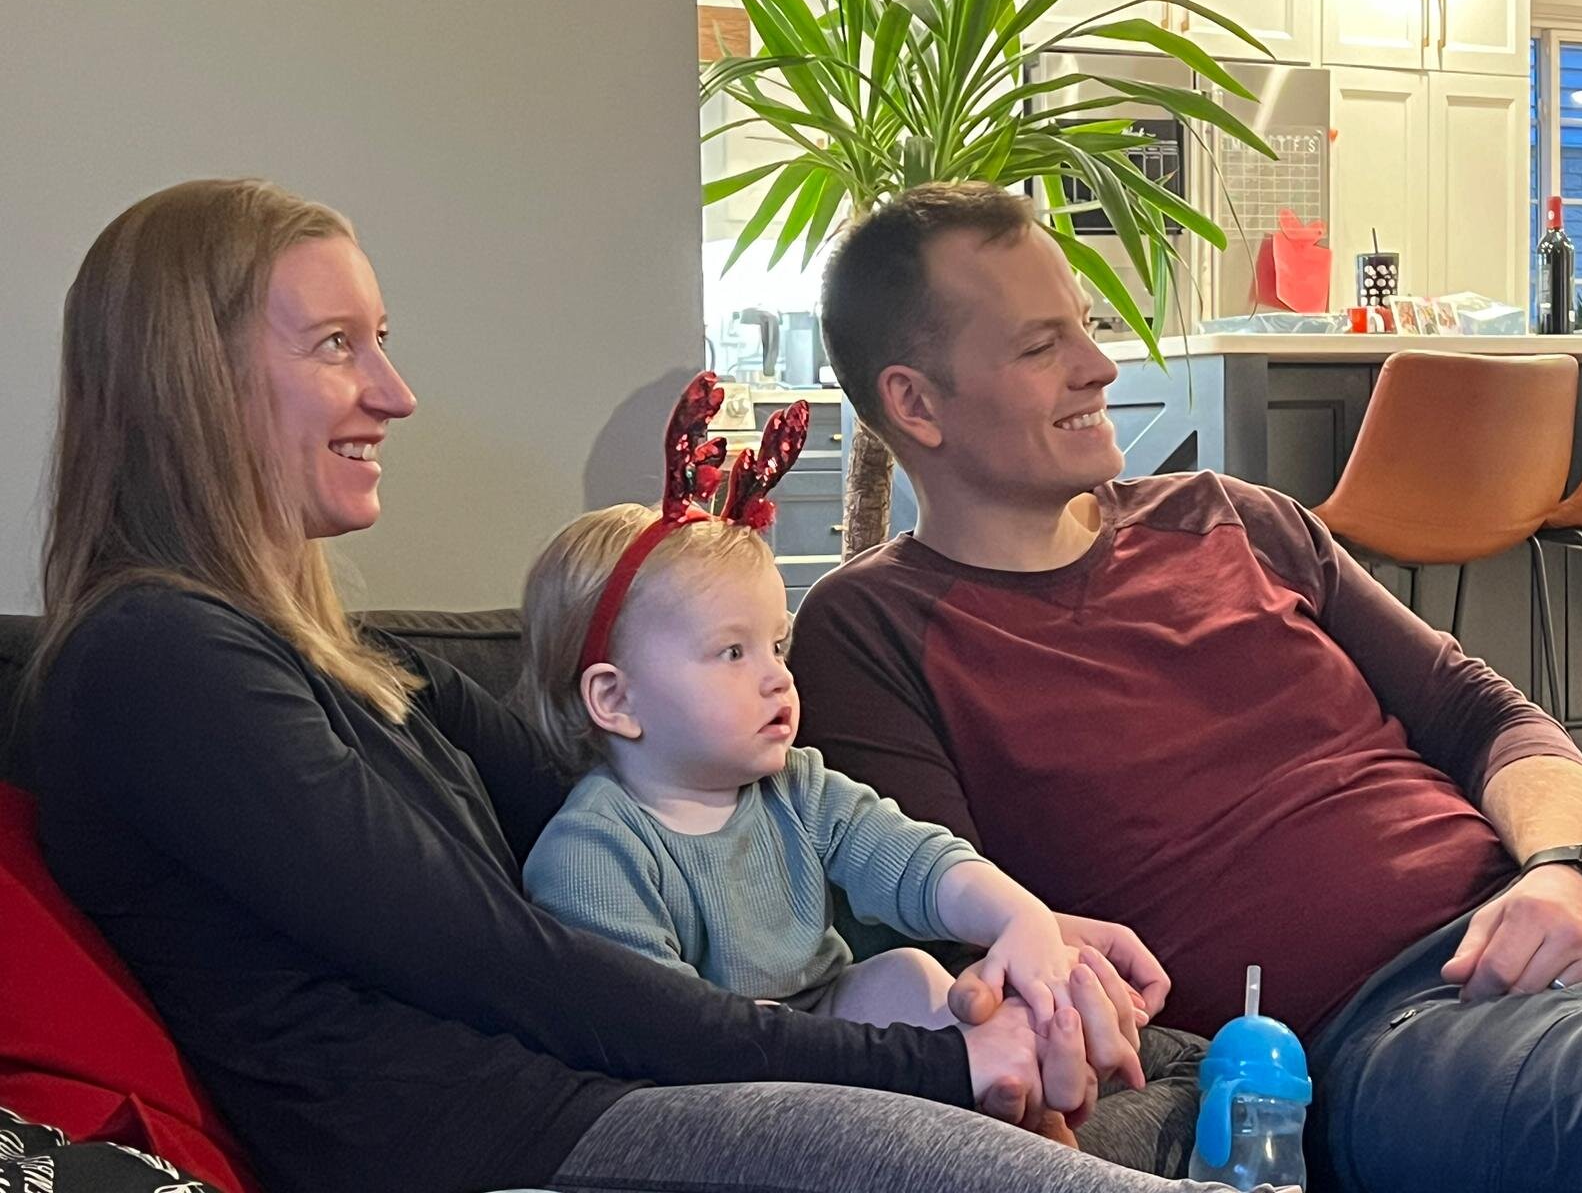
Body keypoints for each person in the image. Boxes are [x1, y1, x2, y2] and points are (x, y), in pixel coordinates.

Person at [22, 178, 1287, 1193]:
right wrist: (918, 1066)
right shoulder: (154, 662)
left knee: (1193, 1068)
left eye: (383, 343)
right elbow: (507, 964)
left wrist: (1016, 933)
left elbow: (672, 800)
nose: (394, 395)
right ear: (193, 378)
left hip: (603, 1097)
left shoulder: (357, 664)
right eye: (336, 346)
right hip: (508, 1144)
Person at [788, 180, 1582, 1192]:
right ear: (915, 403)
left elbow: (1490, 717)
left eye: (1086, 327)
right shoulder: (871, 631)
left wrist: (1566, 868)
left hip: (1547, 911)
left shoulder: (1234, 516)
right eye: (1041, 347)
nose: (1101, 366)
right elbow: (956, 932)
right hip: (1397, 1023)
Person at [515, 467, 1143, 1046]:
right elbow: (670, 1030)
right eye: (732, 652)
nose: (778, 678)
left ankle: (1016, 1075)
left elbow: (916, 862)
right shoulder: (591, 853)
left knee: (906, 973)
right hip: (723, 1071)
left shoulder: (798, 788)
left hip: (831, 1026)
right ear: (616, 699)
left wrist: (1021, 918)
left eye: (776, 645)